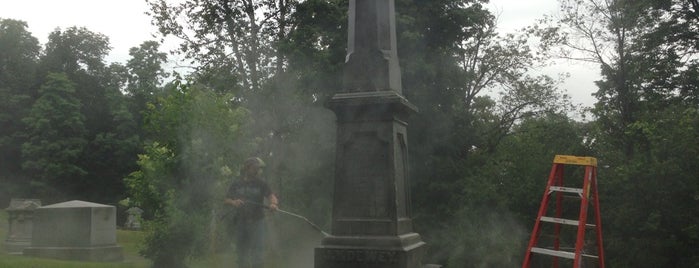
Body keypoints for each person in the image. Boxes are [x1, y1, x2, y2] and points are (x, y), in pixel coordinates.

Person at [224, 157, 279, 268]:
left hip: (257, 221)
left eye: (258, 168)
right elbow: (226, 199)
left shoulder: (261, 183)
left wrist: (273, 204)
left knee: (257, 253)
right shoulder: (236, 183)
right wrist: (234, 202)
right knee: (241, 253)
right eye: (254, 168)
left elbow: (271, 195)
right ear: (246, 168)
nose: (257, 171)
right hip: (241, 221)